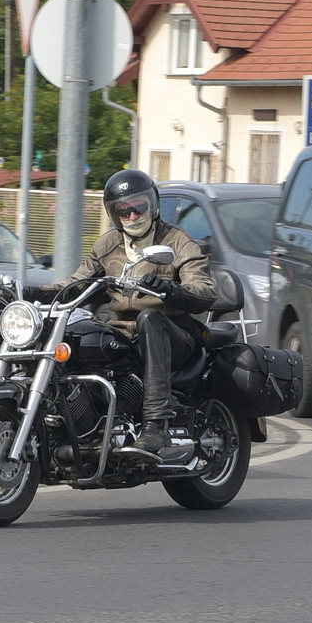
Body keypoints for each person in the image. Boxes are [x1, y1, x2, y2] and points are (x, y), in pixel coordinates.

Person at [24, 169, 216, 454]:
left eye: (139, 207)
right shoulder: (108, 244)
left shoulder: (177, 241)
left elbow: (204, 290)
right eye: (123, 211)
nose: (132, 216)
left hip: (175, 335)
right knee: (79, 332)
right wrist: (34, 293)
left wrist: (169, 289)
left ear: (153, 204)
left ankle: (156, 425)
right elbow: (77, 284)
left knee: (150, 318)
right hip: (125, 334)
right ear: (114, 214)